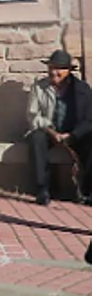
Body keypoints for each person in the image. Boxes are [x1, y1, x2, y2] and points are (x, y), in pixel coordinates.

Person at [26, 49, 92, 205]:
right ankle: (42, 189)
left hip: (74, 133)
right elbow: (32, 115)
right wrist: (51, 131)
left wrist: (72, 135)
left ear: (68, 71)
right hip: (49, 131)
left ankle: (88, 191)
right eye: (52, 67)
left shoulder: (82, 90)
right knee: (36, 138)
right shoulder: (39, 87)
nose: (54, 72)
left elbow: (89, 120)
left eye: (59, 69)